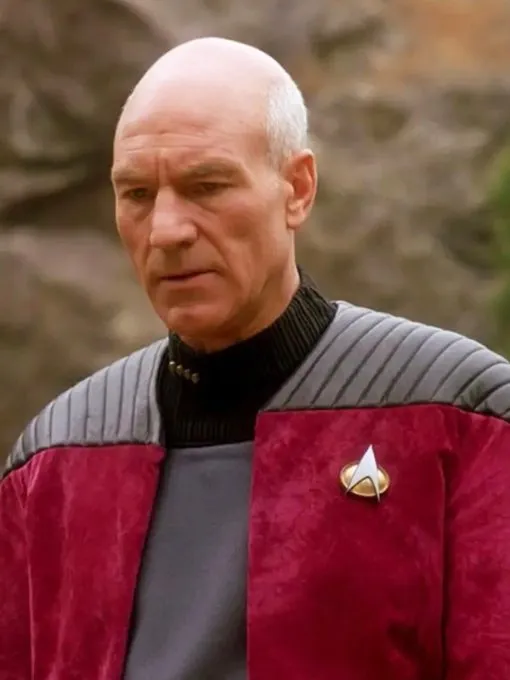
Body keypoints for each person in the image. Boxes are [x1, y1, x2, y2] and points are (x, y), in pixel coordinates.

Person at [1, 36, 510, 680]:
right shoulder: (55, 461)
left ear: (298, 188)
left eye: (206, 186)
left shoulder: (463, 420)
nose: (166, 230)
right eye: (137, 194)